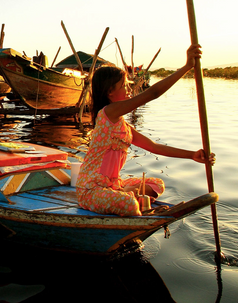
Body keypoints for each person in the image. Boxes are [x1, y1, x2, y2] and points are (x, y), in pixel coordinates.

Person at [76, 44, 216, 216]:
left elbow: (154, 147)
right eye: (124, 86)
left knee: (156, 184)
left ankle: (126, 195)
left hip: (113, 186)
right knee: (129, 203)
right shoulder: (106, 114)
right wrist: (187, 67)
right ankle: (129, 201)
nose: (128, 90)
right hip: (90, 189)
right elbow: (153, 93)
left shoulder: (123, 126)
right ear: (110, 91)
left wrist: (193, 155)